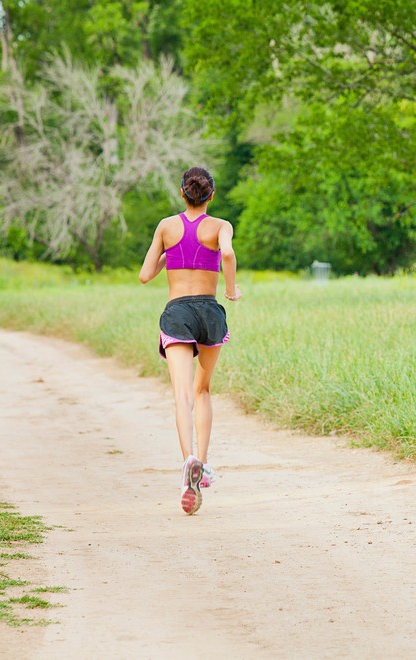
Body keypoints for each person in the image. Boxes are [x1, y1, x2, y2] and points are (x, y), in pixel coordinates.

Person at [139, 166, 241, 515]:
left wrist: (172, 253)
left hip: (177, 312)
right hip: (210, 312)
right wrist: (230, 289)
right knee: (203, 390)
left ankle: (189, 463)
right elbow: (226, 254)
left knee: (181, 396)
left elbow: (144, 275)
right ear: (211, 195)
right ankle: (205, 463)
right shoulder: (221, 227)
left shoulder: (166, 227)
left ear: (182, 193)